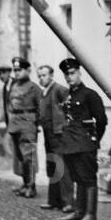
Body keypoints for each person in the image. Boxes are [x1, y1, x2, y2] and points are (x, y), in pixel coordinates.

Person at [58, 57, 107, 220]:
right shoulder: (68, 95)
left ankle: (91, 214)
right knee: (77, 177)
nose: (69, 77)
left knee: (88, 178)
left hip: (85, 143)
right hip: (70, 143)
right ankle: (79, 211)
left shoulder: (90, 95)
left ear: (79, 72)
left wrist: (94, 140)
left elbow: (101, 120)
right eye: (66, 75)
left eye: (72, 73)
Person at [36, 64, 72, 211]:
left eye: (44, 75)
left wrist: (65, 128)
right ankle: (54, 200)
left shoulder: (59, 90)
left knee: (62, 167)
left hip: (59, 134)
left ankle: (68, 202)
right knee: (52, 166)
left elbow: (69, 110)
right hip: (48, 134)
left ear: (51, 75)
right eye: (39, 76)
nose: (41, 78)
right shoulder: (44, 92)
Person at [5, 57, 41, 198]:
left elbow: (41, 107)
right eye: (15, 70)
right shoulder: (13, 86)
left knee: (29, 157)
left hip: (28, 124)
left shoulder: (34, 88)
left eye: (19, 70)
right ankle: (25, 183)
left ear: (28, 70)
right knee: (20, 157)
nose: (17, 73)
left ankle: (32, 186)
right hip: (15, 125)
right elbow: (10, 105)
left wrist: (35, 124)